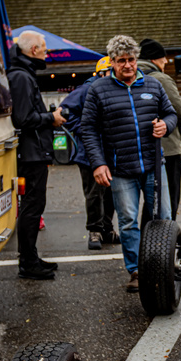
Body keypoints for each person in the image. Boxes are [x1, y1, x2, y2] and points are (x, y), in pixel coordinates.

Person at [81, 35, 177, 293]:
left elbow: (171, 114)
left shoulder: (153, 85)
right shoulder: (98, 90)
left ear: (137, 60)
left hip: (153, 166)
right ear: (112, 62)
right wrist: (98, 164)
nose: (127, 65)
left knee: (163, 217)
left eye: (131, 59)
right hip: (121, 169)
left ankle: (163, 264)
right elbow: (88, 129)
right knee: (128, 222)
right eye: (121, 60)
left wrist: (165, 125)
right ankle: (136, 271)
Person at [7, 31, 66, 280]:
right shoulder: (21, 76)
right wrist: (51, 118)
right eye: (43, 48)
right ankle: (28, 262)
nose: (46, 52)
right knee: (32, 207)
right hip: (31, 154)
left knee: (33, 206)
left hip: (33, 152)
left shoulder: (22, 73)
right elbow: (22, 118)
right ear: (33, 50)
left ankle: (30, 257)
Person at [62, 56, 119, 250]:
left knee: (110, 192)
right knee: (94, 194)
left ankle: (107, 229)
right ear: (102, 73)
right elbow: (65, 111)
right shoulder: (86, 89)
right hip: (88, 152)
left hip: (110, 151)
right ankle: (94, 231)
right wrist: (85, 129)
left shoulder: (115, 89)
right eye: (111, 72)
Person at [138, 38, 181, 221]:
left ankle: (146, 236)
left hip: (138, 149)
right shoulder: (160, 79)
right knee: (167, 199)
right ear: (154, 59)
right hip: (166, 148)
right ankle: (165, 236)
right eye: (163, 59)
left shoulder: (129, 78)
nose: (166, 63)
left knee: (151, 201)